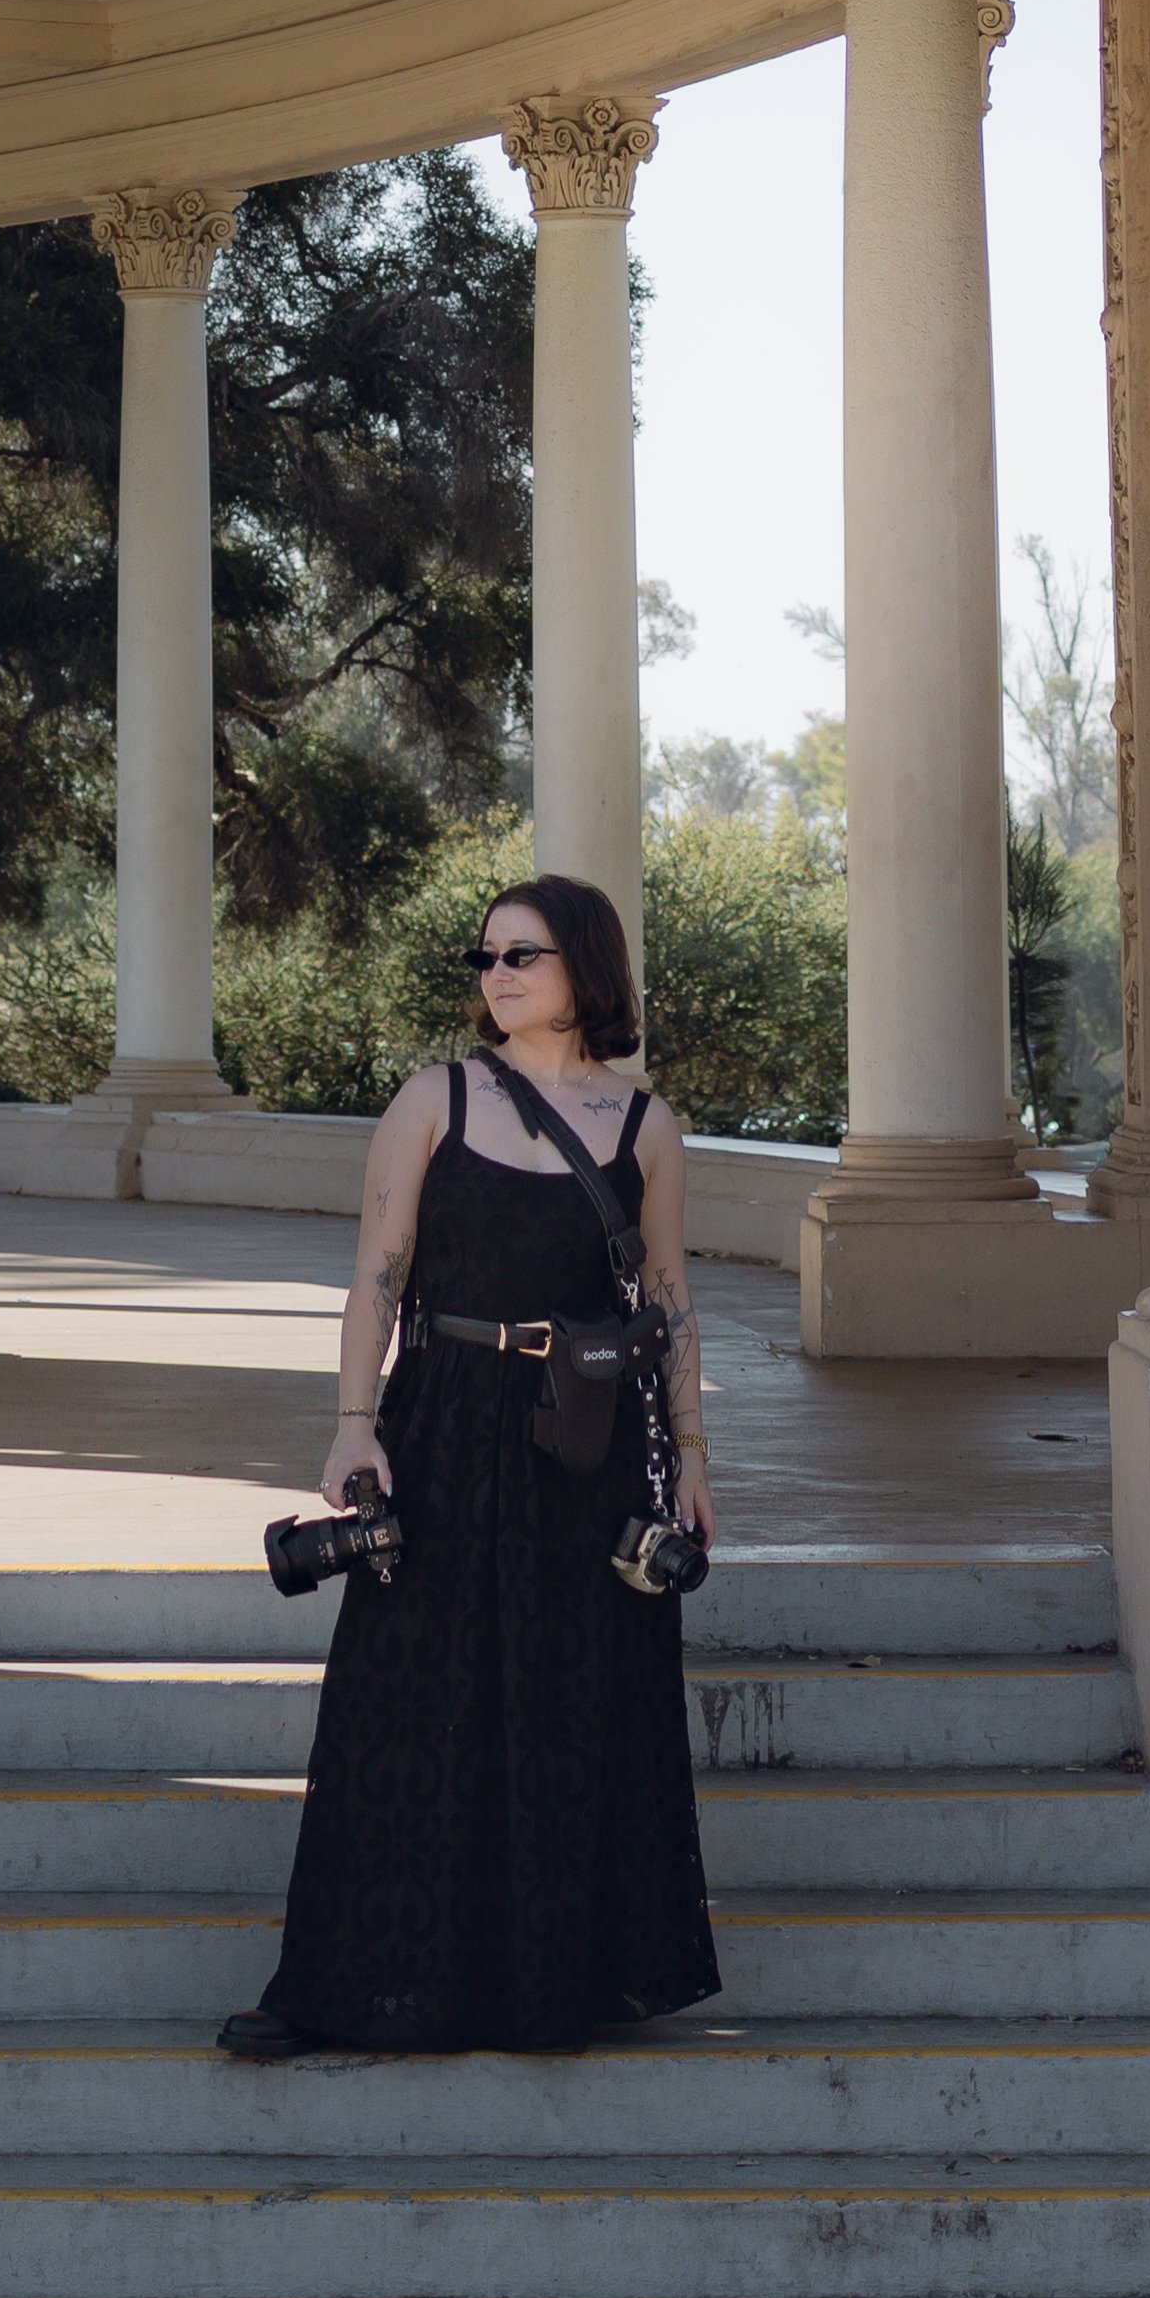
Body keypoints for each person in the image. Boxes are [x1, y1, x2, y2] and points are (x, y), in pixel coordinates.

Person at [218, 873, 721, 2057]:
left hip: (582, 1439)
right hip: (441, 1420)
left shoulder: (644, 1128)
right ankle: (340, 1988)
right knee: (404, 1700)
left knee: (562, 1702)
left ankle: (542, 1986)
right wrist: (353, 1423)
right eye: (484, 957)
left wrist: (691, 1455)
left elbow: (667, 1297)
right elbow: (375, 1274)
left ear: (584, 970)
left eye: (521, 957)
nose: (495, 977)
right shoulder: (433, 1098)